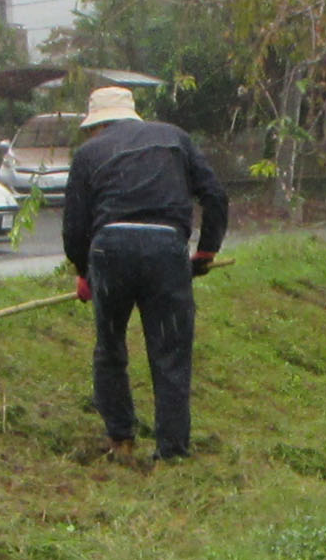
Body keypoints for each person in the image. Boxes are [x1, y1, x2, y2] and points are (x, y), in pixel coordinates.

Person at [60, 84, 227, 464]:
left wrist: (84, 271)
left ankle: (121, 441)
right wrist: (207, 249)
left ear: (96, 126)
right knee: (169, 352)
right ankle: (172, 453)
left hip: (110, 249)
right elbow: (214, 195)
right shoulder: (174, 138)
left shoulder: (89, 153)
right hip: (165, 249)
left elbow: (74, 227)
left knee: (110, 348)